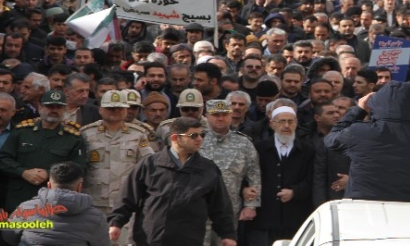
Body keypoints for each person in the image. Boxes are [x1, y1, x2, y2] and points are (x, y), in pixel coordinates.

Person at [107, 117, 237, 246]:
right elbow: (128, 196)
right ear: (175, 138)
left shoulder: (208, 169)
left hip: (189, 240)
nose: (199, 139)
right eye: (193, 135)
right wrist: (116, 223)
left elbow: (221, 206)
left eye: (202, 134)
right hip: (149, 240)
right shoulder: (150, 165)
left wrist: (228, 235)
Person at [325, 81, 410, 202]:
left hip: (362, 202)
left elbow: (331, 140)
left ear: (376, 103)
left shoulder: (359, 131)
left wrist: (358, 110)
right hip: (408, 204)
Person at [80, 90, 155, 244]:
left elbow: (148, 166)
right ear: (101, 110)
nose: (115, 111)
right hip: (94, 202)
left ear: (126, 110)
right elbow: (80, 167)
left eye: (119, 108)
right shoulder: (86, 133)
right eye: (110, 108)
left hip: (125, 204)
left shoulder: (138, 134)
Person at [0, 89, 87, 211]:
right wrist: (23, 172)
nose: (54, 110)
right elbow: (2, 159)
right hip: (20, 197)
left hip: (54, 201)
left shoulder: (73, 138)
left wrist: (49, 174)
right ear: (40, 108)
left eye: (58, 107)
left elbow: (79, 168)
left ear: (65, 110)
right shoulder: (22, 131)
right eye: (50, 106)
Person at [247, 106, 314, 246]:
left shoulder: (308, 151)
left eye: (290, 121)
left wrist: (295, 191)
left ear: (296, 124)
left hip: (295, 219)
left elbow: (312, 179)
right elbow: (248, 176)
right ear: (272, 124)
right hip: (265, 218)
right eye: (282, 121)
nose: (286, 126)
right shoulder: (259, 148)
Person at [3, 161, 110, 246]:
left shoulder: (26, 208)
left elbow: (9, 236)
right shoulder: (96, 217)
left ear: (49, 185)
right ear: (79, 187)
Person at [200, 99, 262, 226]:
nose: (220, 118)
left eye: (225, 114)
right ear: (206, 116)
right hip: (199, 213)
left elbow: (254, 175)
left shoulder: (244, 143)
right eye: (216, 115)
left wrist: (251, 206)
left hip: (229, 213)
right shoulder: (197, 140)